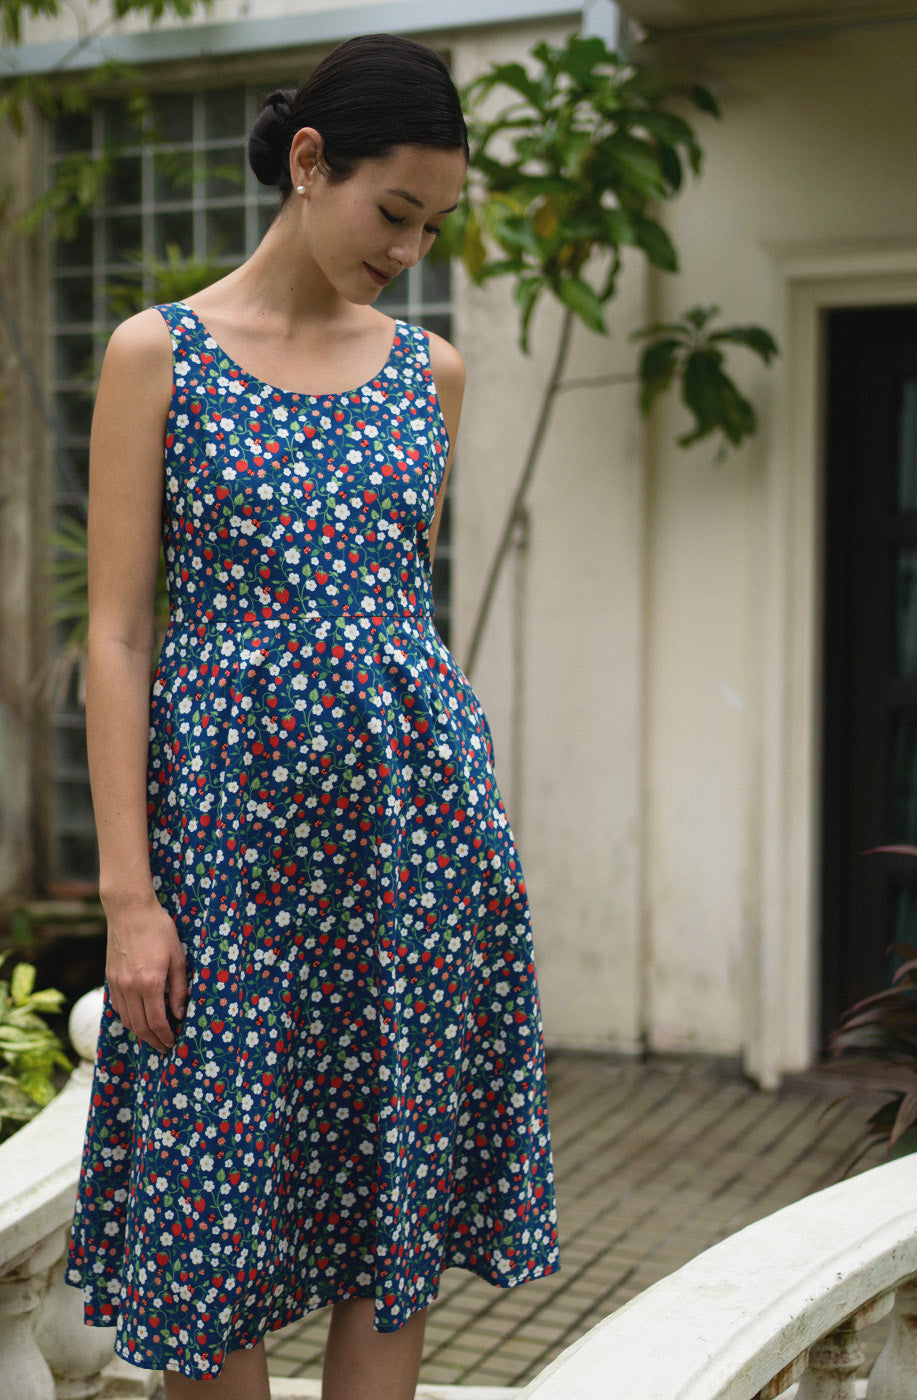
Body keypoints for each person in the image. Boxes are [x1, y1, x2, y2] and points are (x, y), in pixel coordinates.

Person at [64, 33, 560, 1400]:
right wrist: (128, 896)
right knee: (212, 1212)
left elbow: (398, 620)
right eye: (393, 211)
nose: (409, 249)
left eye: (433, 226)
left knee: (391, 1204)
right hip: (224, 856)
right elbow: (116, 633)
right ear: (306, 162)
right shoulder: (158, 355)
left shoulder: (431, 373)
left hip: (411, 852)